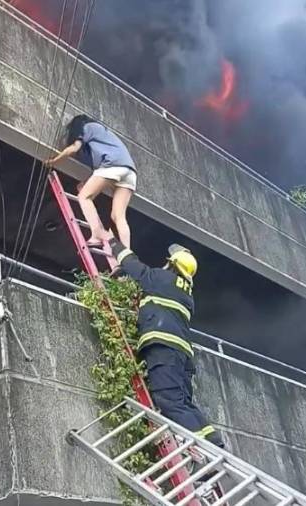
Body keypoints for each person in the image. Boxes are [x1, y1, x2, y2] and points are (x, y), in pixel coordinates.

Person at [107, 238, 226, 452]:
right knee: (184, 403)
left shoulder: (162, 279)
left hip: (164, 350)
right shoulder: (187, 294)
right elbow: (152, 289)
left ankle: (201, 451)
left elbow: (136, 267)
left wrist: (112, 242)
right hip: (182, 356)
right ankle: (214, 442)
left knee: (169, 402)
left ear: (172, 265)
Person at [45, 115, 137, 248]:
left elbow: (74, 148)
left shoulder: (86, 128)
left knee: (84, 197)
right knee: (118, 216)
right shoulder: (103, 133)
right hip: (130, 171)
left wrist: (54, 161)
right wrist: (86, 183)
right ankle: (127, 252)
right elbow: (101, 172)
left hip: (112, 165)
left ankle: (97, 233)